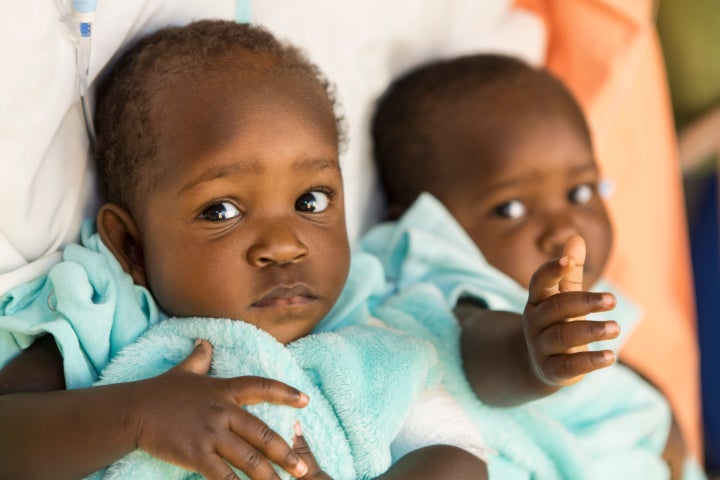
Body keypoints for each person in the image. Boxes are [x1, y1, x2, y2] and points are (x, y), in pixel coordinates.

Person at [0, 20, 489, 480]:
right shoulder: (107, 315)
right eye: (221, 211)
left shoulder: (361, 325)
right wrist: (137, 416)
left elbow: (458, 454)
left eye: (310, 201)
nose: (283, 245)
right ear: (132, 245)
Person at [362, 53, 707, 479]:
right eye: (510, 208)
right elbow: (479, 349)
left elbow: (602, 373)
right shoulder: (445, 279)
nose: (563, 227)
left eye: (580, 192)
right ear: (426, 223)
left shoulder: (571, 299)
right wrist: (532, 357)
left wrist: (655, 401)